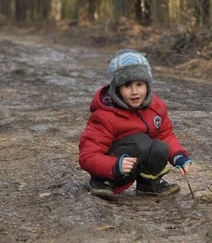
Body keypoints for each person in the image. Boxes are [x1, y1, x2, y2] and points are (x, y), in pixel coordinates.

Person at [79, 48, 192, 199]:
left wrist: (179, 156)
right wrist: (114, 165)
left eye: (139, 84)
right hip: (112, 168)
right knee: (142, 141)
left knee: (160, 146)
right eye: (127, 85)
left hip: (134, 162)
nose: (134, 92)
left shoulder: (156, 108)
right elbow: (87, 156)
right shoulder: (105, 115)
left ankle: (148, 184)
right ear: (117, 89)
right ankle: (102, 182)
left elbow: (166, 135)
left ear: (148, 85)